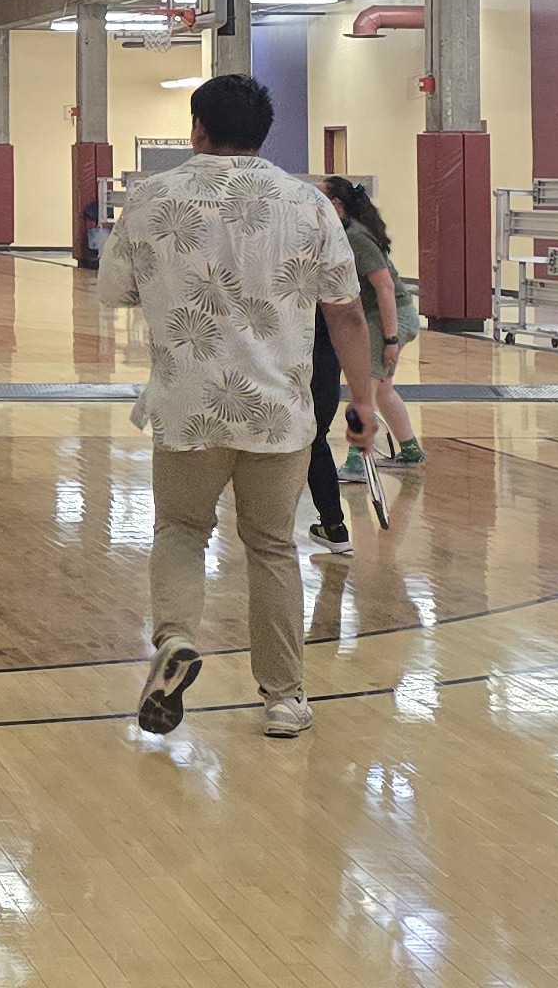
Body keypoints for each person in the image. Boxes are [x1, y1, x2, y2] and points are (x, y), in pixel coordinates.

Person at [97, 75, 373, 741]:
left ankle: (175, 639)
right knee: (273, 547)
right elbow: (348, 314)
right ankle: (283, 698)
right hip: (279, 413)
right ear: (263, 134)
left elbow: (114, 290)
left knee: (181, 532)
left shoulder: (150, 198)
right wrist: (364, 400)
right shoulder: (308, 206)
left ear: (197, 129)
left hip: (188, 405)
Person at [324, 176, 425, 480]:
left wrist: (391, 339)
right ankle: (410, 451)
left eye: (321, 197)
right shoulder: (341, 232)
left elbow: (384, 287)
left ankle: (356, 463)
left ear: (337, 205)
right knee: (383, 391)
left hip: (388, 317)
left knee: (365, 391)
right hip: (384, 316)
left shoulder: (356, 237)